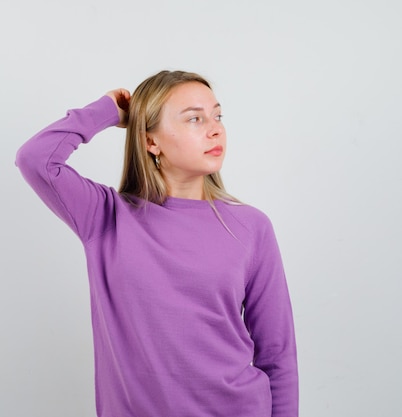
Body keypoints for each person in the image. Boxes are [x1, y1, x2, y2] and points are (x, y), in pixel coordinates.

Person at [15, 70, 298, 417]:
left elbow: (277, 354)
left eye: (217, 116)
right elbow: (36, 159)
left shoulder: (251, 227)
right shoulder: (105, 217)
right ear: (151, 141)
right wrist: (106, 111)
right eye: (195, 118)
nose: (215, 129)